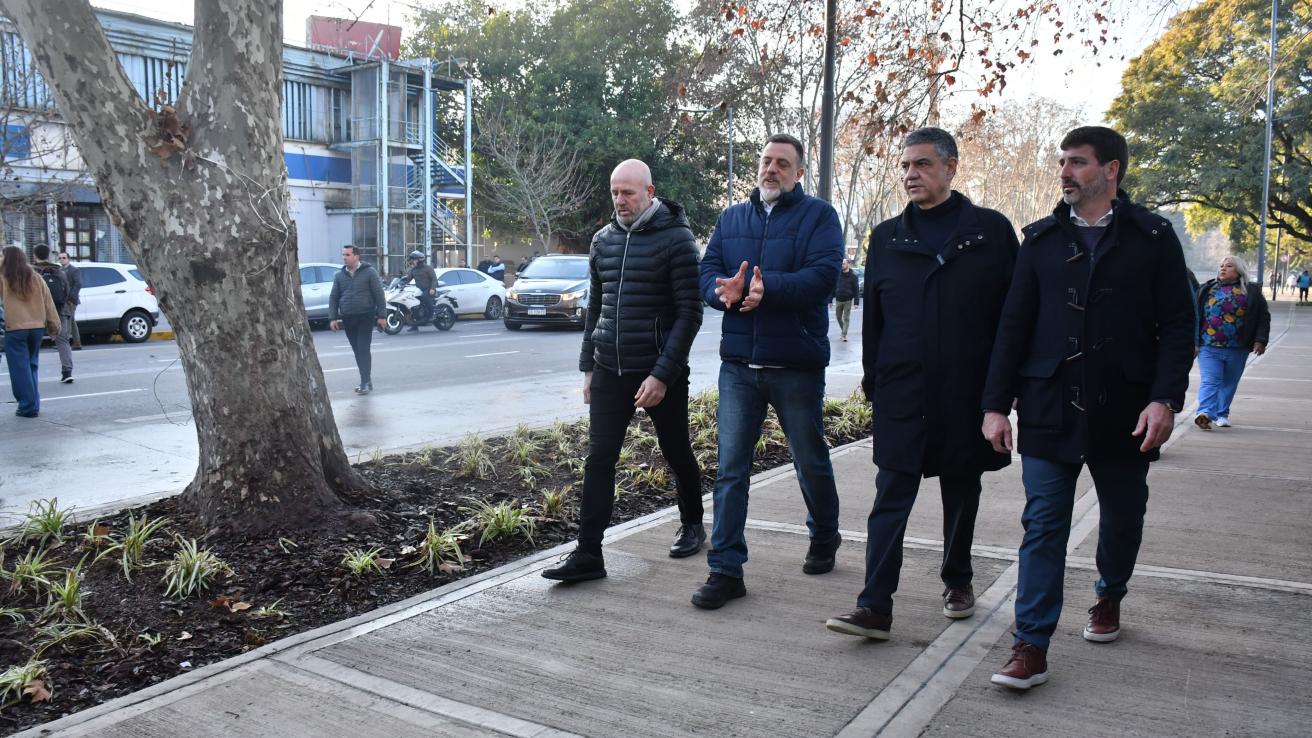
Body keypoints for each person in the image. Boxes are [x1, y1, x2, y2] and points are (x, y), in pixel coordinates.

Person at [981, 126, 1194, 690]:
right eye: (1063, 162)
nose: (1065, 172)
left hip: (1126, 409)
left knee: (1123, 517)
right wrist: (996, 405)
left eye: (1077, 162)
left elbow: (1178, 324)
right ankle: (1031, 644)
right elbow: (1013, 327)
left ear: (1112, 170)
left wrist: (1165, 398)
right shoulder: (1041, 240)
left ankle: (1109, 594)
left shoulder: (1153, 237)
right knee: (1043, 524)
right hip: (1050, 403)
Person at [825, 127, 1018, 641]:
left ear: (951, 168)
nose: (910, 174)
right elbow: (876, 321)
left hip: (965, 391)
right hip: (903, 391)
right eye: (905, 166)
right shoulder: (887, 237)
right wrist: (875, 380)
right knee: (890, 496)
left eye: (923, 165)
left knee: (961, 489)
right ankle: (874, 606)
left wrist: (1002, 393)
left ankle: (958, 580)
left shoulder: (991, 232)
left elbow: (1012, 318)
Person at [691, 133, 844, 610]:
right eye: (765, 161)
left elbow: (824, 277)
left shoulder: (819, 217)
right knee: (730, 470)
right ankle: (726, 569)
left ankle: (824, 535)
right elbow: (707, 270)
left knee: (809, 458)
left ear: (799, 172)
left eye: (782, 163)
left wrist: (766, 288)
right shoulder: (732, 217)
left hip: (795, 364)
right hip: (738, 365)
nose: (771, 169)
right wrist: (723, 292)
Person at [542, 159, 705, 582]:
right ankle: (589, 554)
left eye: (628, 192)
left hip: (657, 372)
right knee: (599, 459)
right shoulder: (603, 240)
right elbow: (595, 308)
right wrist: (587, 367)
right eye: (615, 192)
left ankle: (692, 522)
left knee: (675, 451)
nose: (620, 200)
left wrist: (662, 375)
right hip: (609, 368)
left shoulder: (678, 240)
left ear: (649, 192)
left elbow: (689, 314)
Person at [1193, 255, 1270, 430]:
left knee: (1229, 382)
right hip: (1208, 345)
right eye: (1221, 266)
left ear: (1238, 271)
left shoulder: (1251, 292)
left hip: (1238, 347)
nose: (1223, 268)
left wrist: (1260, 340)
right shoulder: (1207, 289)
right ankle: (1204, 413)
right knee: (1210, 380)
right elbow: (1195, 316)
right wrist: (1193, 342)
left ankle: (1221, 413)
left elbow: (1263, 318)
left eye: (1228, 266)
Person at [1, 245, 61, 417]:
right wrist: (54, 325)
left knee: (19, 369)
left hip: (15, 328)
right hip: (36, 328)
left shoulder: (4, 278)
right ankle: (33, 403)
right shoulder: (34, 276)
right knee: (31, 366)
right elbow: (48, 302)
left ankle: (27, 406)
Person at [328, 245, 387, 395]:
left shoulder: (369, 272)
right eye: (343, 255)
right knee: (357, 350)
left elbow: (379, 295)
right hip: (348, 318)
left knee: (363, 349)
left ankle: (365, 382)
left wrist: (382, 316)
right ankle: (366, 379)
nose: (344, 258)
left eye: (347, 255)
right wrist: (332, 318)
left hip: (365, 316)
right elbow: (334, 297)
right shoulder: (339, 275)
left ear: (356, 256)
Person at [32, 245, 73, 383]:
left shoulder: (32, 272)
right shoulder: (58, 271)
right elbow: (66, 290)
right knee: (62, 341)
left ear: (34, 256)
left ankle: (32, 373)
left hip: (38, 311)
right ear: (49, 256)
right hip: (59, 310)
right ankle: (67, 372)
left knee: (33, 342)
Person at [402, 250, 438, 331]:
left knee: (424, 296)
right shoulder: (413, 270)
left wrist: (432, 288)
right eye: (412, 259)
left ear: (419, 260)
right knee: (413, 305)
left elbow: (434, 279)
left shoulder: (428, 268)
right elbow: (408, 279)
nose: (412, 261)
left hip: (428, 289)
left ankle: (432, 314)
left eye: (414, 259)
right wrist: (400, 284)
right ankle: (415, 325)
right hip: (419, 290)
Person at [58, 251, 82, 350]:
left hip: (71, 300)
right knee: (70, 320)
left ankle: (71, 342)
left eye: (64, 258)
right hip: (64, 299)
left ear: (68, 259)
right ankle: (74, 342)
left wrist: (71, 296)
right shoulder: (60, 270)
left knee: (69, 320)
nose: (62, 260)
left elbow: (78, 283)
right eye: (60, 258)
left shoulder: (73, 270)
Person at [833, 258, 860, 342]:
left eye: (844, 264)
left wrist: (856, 302)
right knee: (838, 317)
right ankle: (843, 330)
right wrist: (829, 300)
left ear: (848, 264)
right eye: (841, 264)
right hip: (838, 300)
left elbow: (856, 290)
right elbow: (833, 287)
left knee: (846, 318)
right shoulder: (838, 275)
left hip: (848, 300)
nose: (842, 265)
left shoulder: (853, 276)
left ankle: (844, 335)